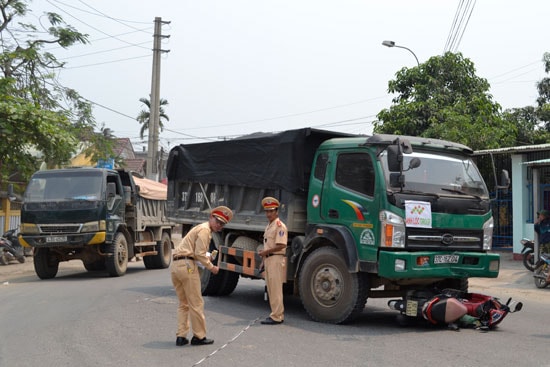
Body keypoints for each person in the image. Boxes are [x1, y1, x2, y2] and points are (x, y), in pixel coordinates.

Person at [170, 206, 233, 346]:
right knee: (196, 303)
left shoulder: (199, 228)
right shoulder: (205, 230)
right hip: (187, 266)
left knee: (184, 303)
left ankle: (181, 336)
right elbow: (199, 254)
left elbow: (196, 254)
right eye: (217, 221)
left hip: (176, 266)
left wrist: (206, 258)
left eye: (222, 223)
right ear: (211, 217)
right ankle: (199, 336)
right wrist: (212, 267)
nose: (219, 225)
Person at [258, 197, 288, 325]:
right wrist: (263, 261)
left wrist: (265, 253)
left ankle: (277, 316)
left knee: (275, 289)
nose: (268, 214)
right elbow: (267, 244)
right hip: (269, 259)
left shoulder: (280, 226)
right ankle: (275, 314)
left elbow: (281, 245)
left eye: (271, 211)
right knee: (271, 288)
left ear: (277, 212)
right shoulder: (269, 226)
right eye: (267, 211)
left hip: (276, 258)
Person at [534, 209, 550, 283]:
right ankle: (545, 273)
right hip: (543, 243)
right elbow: (537, 230)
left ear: (545, 216)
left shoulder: (548, 223)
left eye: (541, 215)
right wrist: (536, 223)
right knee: (543, 258)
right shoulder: (540, 224)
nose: (539, 216)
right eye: (539, 215)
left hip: (548, 243)